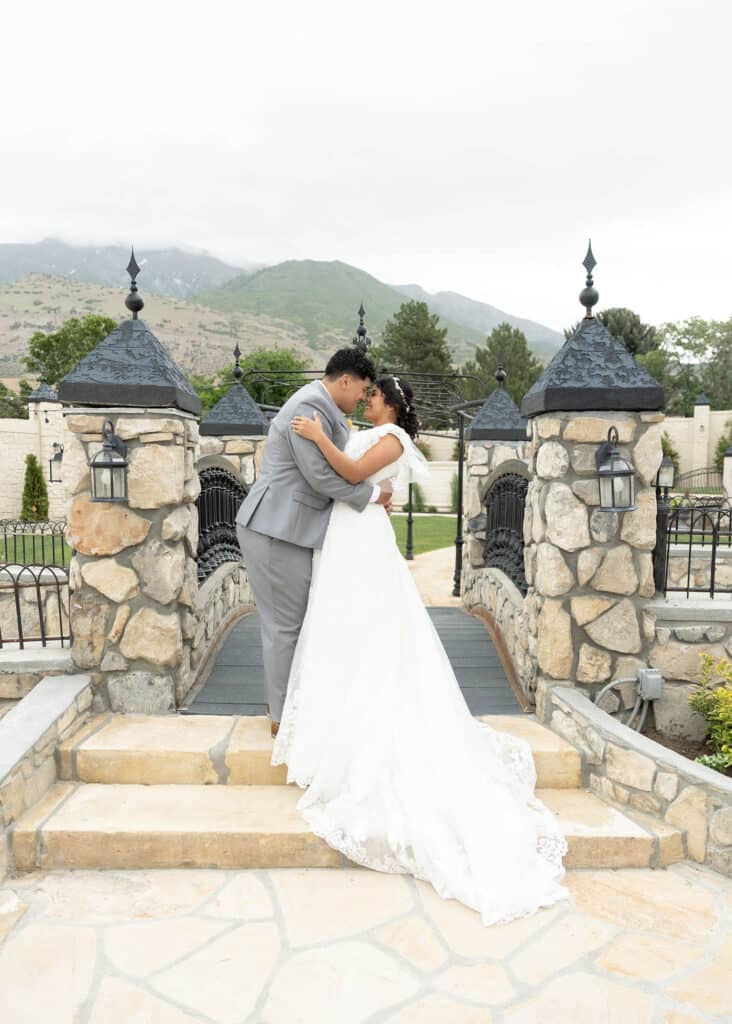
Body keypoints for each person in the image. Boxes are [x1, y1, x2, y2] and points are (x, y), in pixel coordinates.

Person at [272, 374, 569, 926]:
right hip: (348, 534)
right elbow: (363, 482)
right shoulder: (370, 429)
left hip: (362, 539)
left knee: (369, 630)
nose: (366, 401)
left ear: (391, 403)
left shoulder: (396, 440)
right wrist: (334, 447)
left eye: (373, 396)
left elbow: (357, 473)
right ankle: (332, 725)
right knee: (340, 631)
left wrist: (317, 436)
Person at [236, 348, 392, 738]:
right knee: (284, 626)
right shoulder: (310, 406)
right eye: (362, 388)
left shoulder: (326, 410)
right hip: (275, 527)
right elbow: (321, 477)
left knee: (296, 623)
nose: (363, 397)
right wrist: (373, 496)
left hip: (289, 529)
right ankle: (281, 720)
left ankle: (288, 708)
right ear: (345, 380)